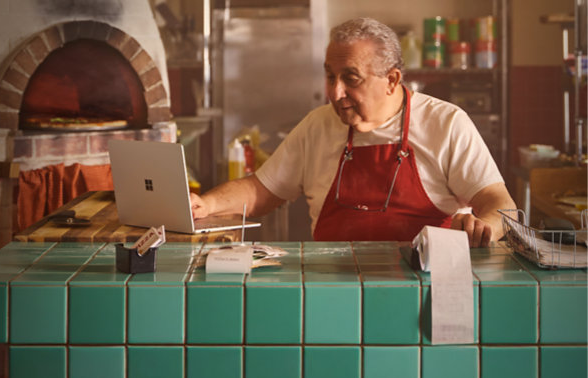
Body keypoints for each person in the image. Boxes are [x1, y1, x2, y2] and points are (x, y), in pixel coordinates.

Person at [190, 17, 516, 247]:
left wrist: (483, 225)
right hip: (333, 288)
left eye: (351, 78)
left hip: (423, 288)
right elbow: (260, 191)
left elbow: (501, 204)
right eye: (330, 77)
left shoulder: (445, 123)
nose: (335, 92)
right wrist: (206, 204)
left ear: (391, 80)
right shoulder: (317, 126)